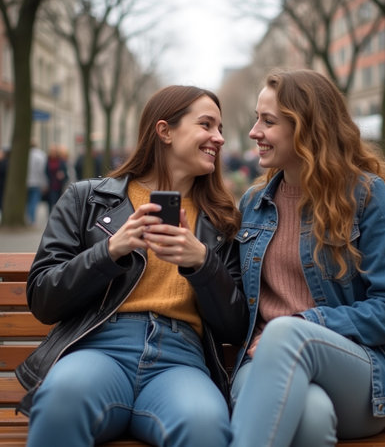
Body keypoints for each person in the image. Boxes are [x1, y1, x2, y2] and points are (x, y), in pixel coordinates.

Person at [15, 85, 248, 447]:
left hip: (180, 359)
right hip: (100, 348)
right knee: (61, 400)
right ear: (165, 131)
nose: (218, 138)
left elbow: (236, 324)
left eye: (220, 129)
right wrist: (110, 251)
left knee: (204, 425)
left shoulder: (223, 221)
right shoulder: (87, 198)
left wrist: (202, 263)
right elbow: (43, 298)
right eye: (206, 125)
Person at [229, 69, 385, 447]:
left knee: (286, 332)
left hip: (356, 371)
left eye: (268, 121)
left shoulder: (364, 195)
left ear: (307, 127)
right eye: (256, 118)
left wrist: (305, 322)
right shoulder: (253, 204)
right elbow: (233, 306)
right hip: (265, 363)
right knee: (311, 419)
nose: (254, 132)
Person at [26, 142, 48, 225]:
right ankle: (32, 219)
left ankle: (28, 218)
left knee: (27, 202)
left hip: (26, 183)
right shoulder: (40, 155)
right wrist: (44, 183)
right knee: (34, 202)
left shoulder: (23, 155)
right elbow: (42, 171)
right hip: (36, 182)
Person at [45, 144, 68, 214]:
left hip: (59, 185)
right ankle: (50, 217)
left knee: (58, 202)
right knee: (50, 202)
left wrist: (62, 175)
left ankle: (58, 216)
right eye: (52, 151)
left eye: (54, 151)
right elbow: (45, 172)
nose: (53, 153)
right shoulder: (47, 161)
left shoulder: (61, 161)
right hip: (50, 185)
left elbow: (66, 174)